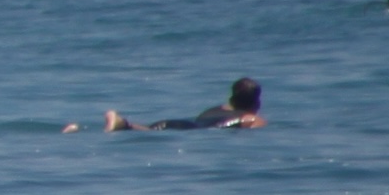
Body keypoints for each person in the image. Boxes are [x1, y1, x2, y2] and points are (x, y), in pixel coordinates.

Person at [69, 77, 263, 133]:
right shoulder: (250, 118)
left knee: (148, 128)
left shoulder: (217, 109)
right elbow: (258, 127)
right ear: (256, 101)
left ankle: (83, 129)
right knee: (148, 131)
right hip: (190, 129)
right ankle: (121, 124)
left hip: (179, 122)